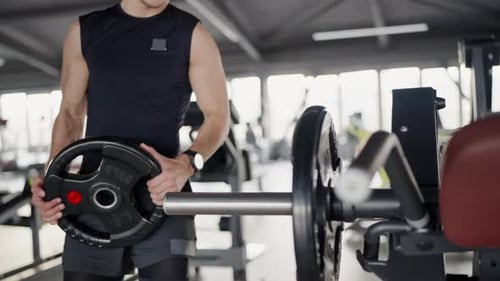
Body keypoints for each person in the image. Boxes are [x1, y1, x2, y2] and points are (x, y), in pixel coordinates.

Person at [30, 0, 230, 280]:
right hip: (94, 194)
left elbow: (219, 116)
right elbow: (70, 115)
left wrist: (187, 164)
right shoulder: (84, 32)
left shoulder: (192, 34)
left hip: (163, 195)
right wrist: (52, 182)